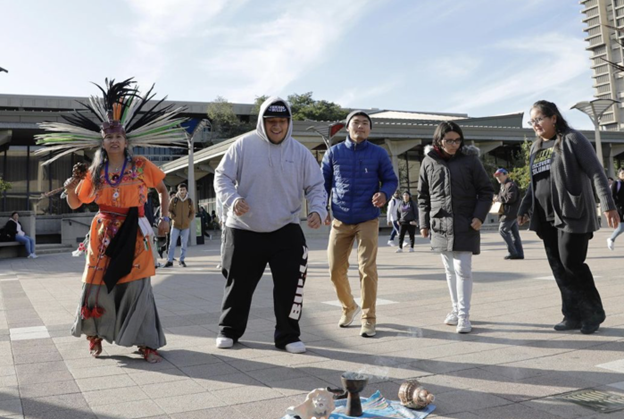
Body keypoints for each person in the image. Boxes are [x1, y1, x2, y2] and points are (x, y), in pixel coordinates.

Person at [38, 78, 186, 362]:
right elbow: (75, 202)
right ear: (102, 142)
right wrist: (70, 188)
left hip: (136, 232)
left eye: (118, 136)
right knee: (95, 285)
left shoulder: (142, 166)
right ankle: (94, 337)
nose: (114, 140)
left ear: (126, 140)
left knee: (138, 285)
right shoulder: (94, 172)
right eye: (109, 137)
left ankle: (145, 341)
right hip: (103, 232)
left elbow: (163, 190)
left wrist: (165, 217)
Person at [214, 97, 327, 354]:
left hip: (285, 226)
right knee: (238, 284)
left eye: (282, 121)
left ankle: (288, 335)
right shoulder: (243, 145)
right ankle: (228, 329)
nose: (277, 126)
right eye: (271, 121)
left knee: (290, 284)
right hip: (243, 227)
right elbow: (222, 177)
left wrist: (318, 210)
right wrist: (232, 200)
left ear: (289, 123)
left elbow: (316, 185)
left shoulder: (299, 152)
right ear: (262, 123)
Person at [518, 100, 619, 335]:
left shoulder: (572, 139)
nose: (536, 124)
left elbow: (596, 171)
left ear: (553, 118)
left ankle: (593, 312)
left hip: (572, 212)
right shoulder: (536, 148)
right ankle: (571, 315)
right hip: (545, 216)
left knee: (571, 263)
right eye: (532, 121)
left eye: (539, 119)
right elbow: (533, 185)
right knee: (558, 267)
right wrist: (523, 209)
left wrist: (608, 204)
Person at [322, 110, 398, 338]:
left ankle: (369, 318)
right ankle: (349, 307)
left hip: (367, 218)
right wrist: (321, 208)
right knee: (335, 269)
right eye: (356, 123)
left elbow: (391, 179)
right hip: (340, 218)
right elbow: (322, 184)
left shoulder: (379, 154)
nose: (361, 126)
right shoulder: (333, 153)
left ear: (370, 129)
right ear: (347, 127)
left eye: (365, 123)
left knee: (367, 269)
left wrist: (384, 194)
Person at [418, 121, 494, 334]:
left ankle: (464, 315)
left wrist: (479, 216)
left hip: (465, 222)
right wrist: (424, 222)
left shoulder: (470, 161)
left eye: (457, 140)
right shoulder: (428, 162)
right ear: (439, 140)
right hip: (440, 224)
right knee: (449, 270)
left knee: (463, 269)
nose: (454, 144)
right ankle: (454, 310)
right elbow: (423, 196)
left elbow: (486, 191)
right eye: (449, 140)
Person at [493, 168, 524, 260]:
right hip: (511, 213)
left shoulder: (510, 185)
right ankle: (519, 254)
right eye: (496, 176)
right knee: (515, 234)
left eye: (500, 175)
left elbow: (511, 198)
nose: (498, 178)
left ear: (505, 175)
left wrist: (497, 198)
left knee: (502, 230)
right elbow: (504, 197)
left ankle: (513, 252)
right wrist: (497, 197)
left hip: (510, 213)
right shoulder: (503, 185)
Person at [165, 183, 195, 268]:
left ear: (186, 190)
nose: (182, 191)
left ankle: (182, 260)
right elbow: (169, 210)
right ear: (178, 191)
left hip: (185, 226)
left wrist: (189, 219)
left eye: (184, 190)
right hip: (175, 226)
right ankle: (170, 260)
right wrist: (174, 217)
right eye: (181, 190)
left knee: (184, 244)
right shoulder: (174, 200)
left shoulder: (189, 201)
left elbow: (192, 212)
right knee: (172, 244)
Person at [607, 168, 624, 251]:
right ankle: (611, 239)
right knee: (621, 227)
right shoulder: (616, 183)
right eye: (622, 173)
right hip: (619, 208)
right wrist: (613, 208)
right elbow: (612, 196)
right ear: (619, 174)